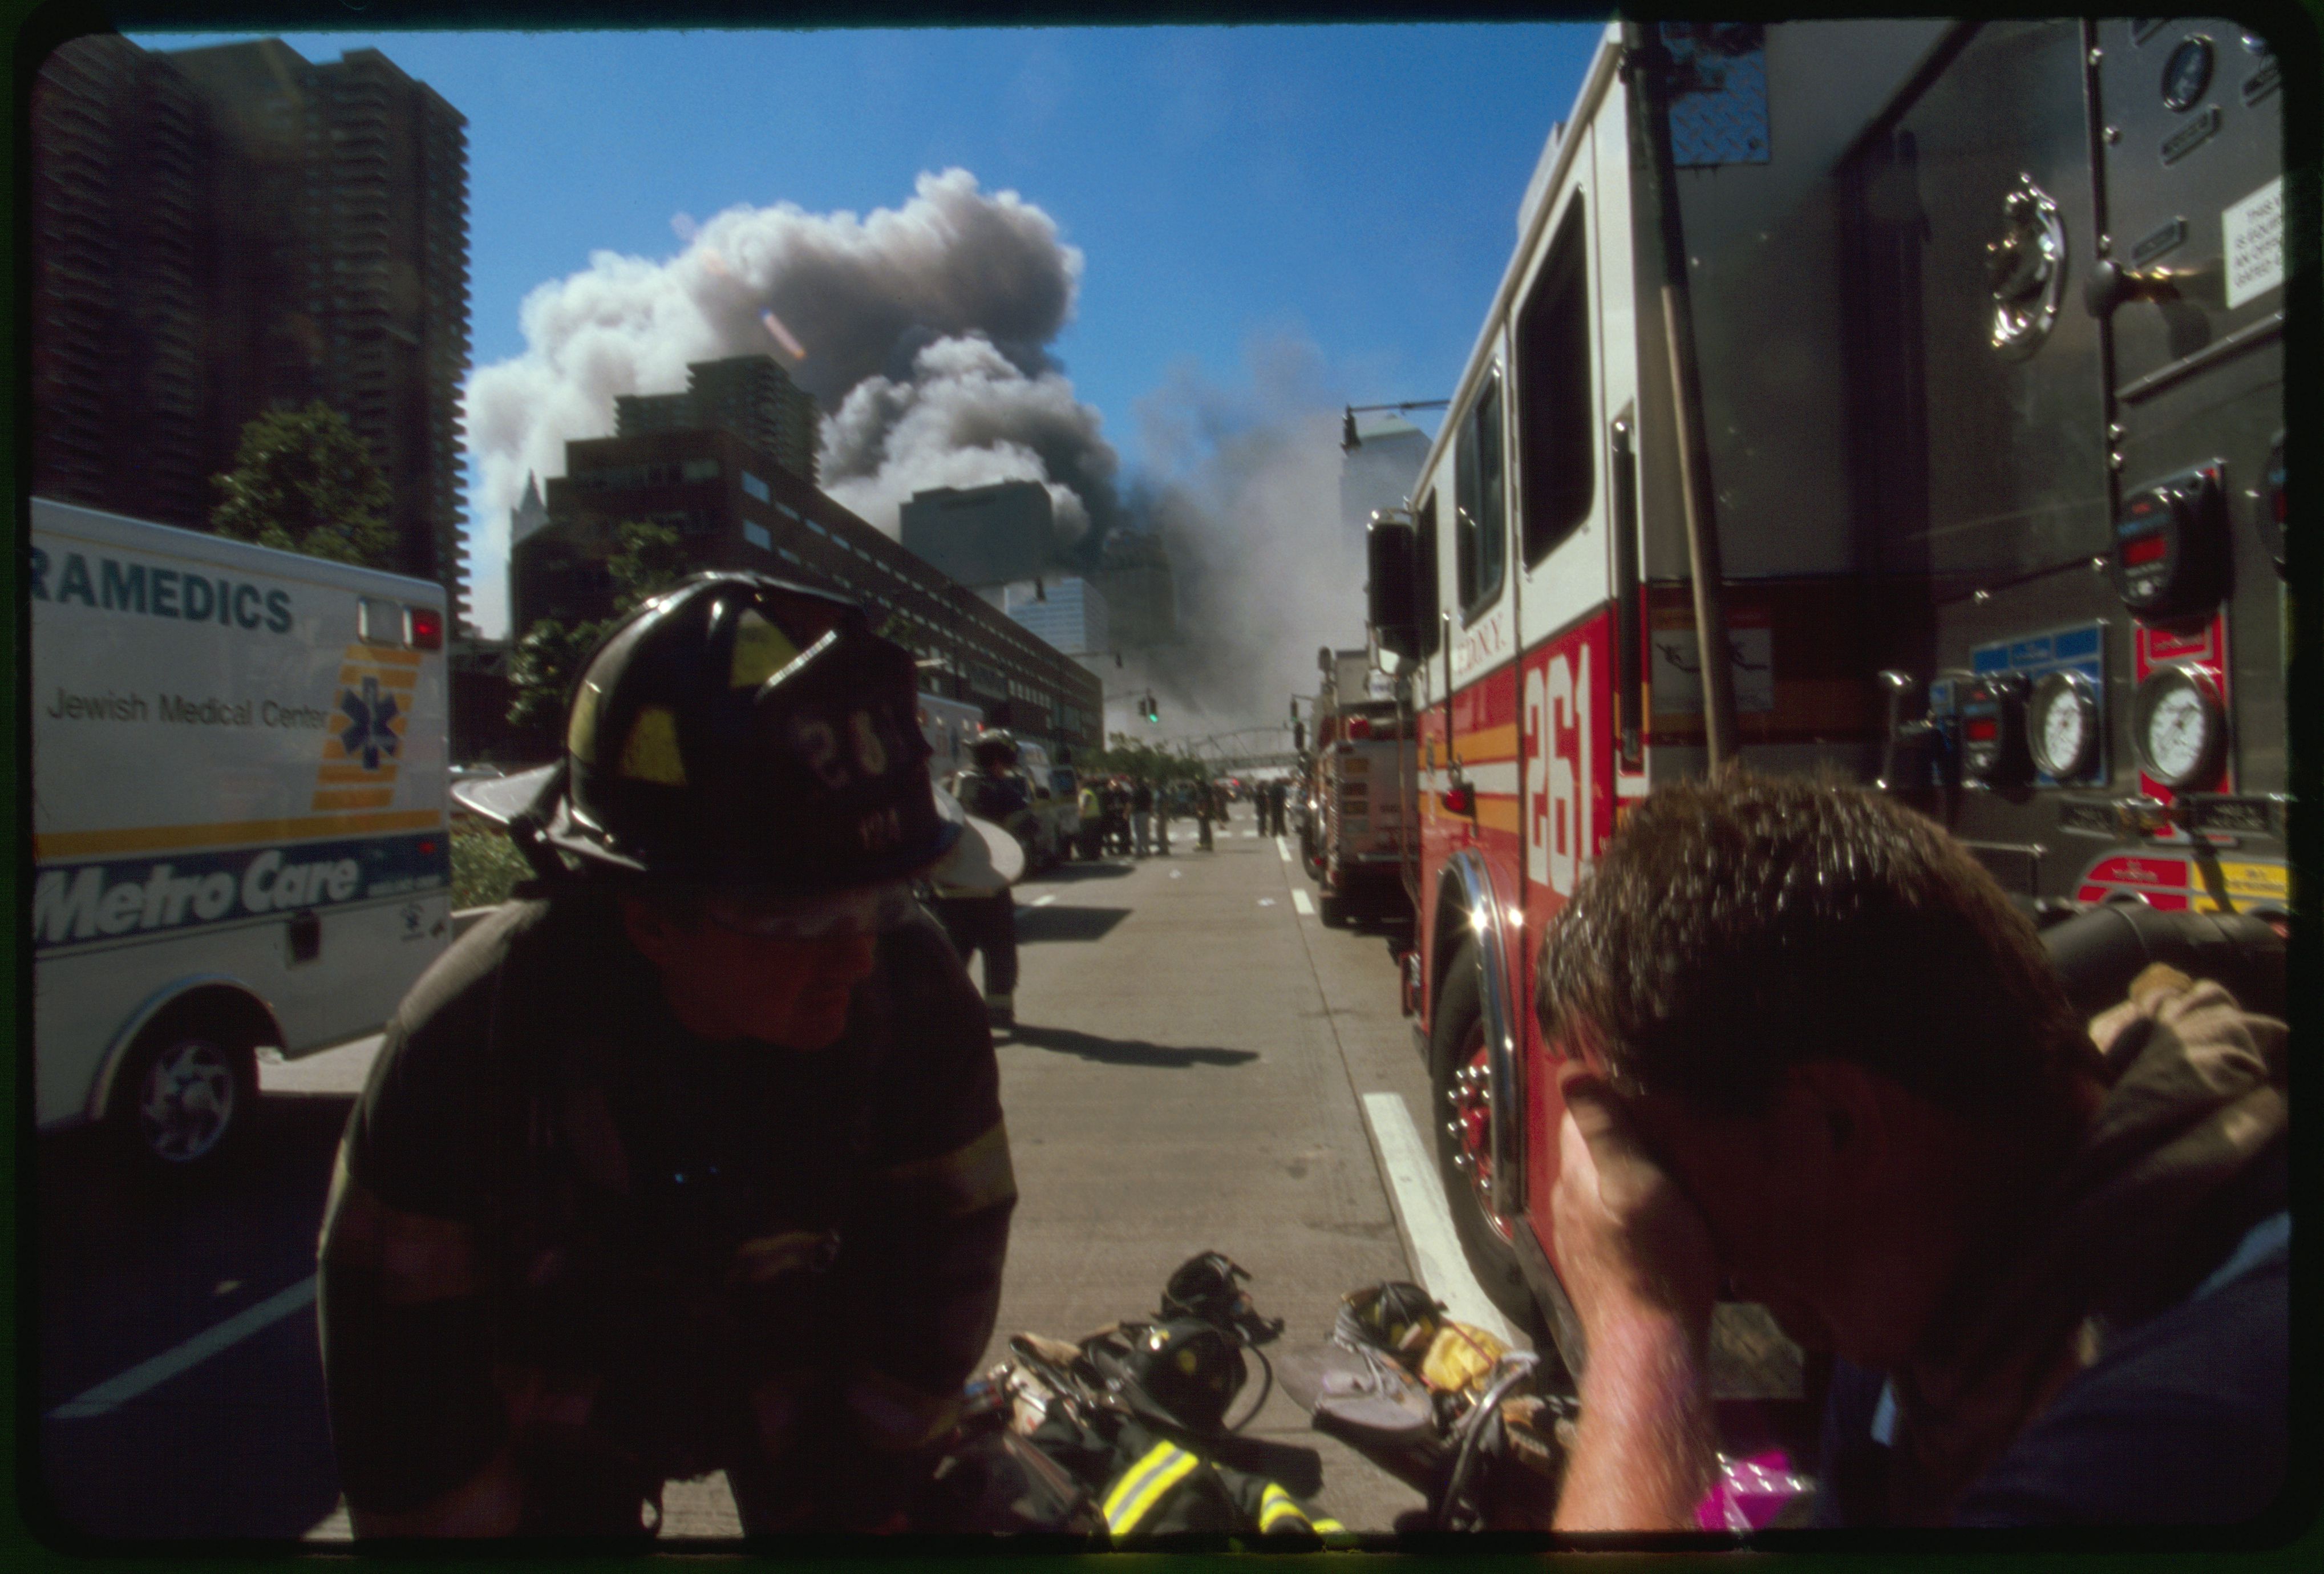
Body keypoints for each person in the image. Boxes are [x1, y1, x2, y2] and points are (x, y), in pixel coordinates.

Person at [315, 576, 1019, 1538]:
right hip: (563, 1381)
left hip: (807, 1361)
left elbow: (943, 1260)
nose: (855, 956)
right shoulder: (475, 1035)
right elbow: (401, 1379)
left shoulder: (912, 987)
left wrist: (866, 1473)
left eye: (882, 899)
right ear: (648, 916)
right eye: (803, 917)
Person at [1529, 771, 2287, 1530]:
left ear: (1832, 1122)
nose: (1682, 1237)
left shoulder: (2178, 1430)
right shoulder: (1921, 1310)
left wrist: (1640, 1321)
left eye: (1667, 1169)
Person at [935, 730, 1034, 1029]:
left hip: (947, 890)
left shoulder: (945, 787)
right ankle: (999, 1014)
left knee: (953, 956)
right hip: (990, 890)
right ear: (999, 760)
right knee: (999, 954)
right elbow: (1028, 831)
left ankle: (949, 1015)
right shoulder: (1004, 792)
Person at [1130, 777, 1154, 859]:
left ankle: (1139, 851)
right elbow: (1150, 802)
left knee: (1138, 832)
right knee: (1146, 831)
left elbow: (1132, 802)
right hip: (1145, 812)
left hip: (1137, 812)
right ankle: (1147, 850)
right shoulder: (1147, 790)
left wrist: (1129, 812)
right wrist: (1151, 812)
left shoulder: (1135, 791)